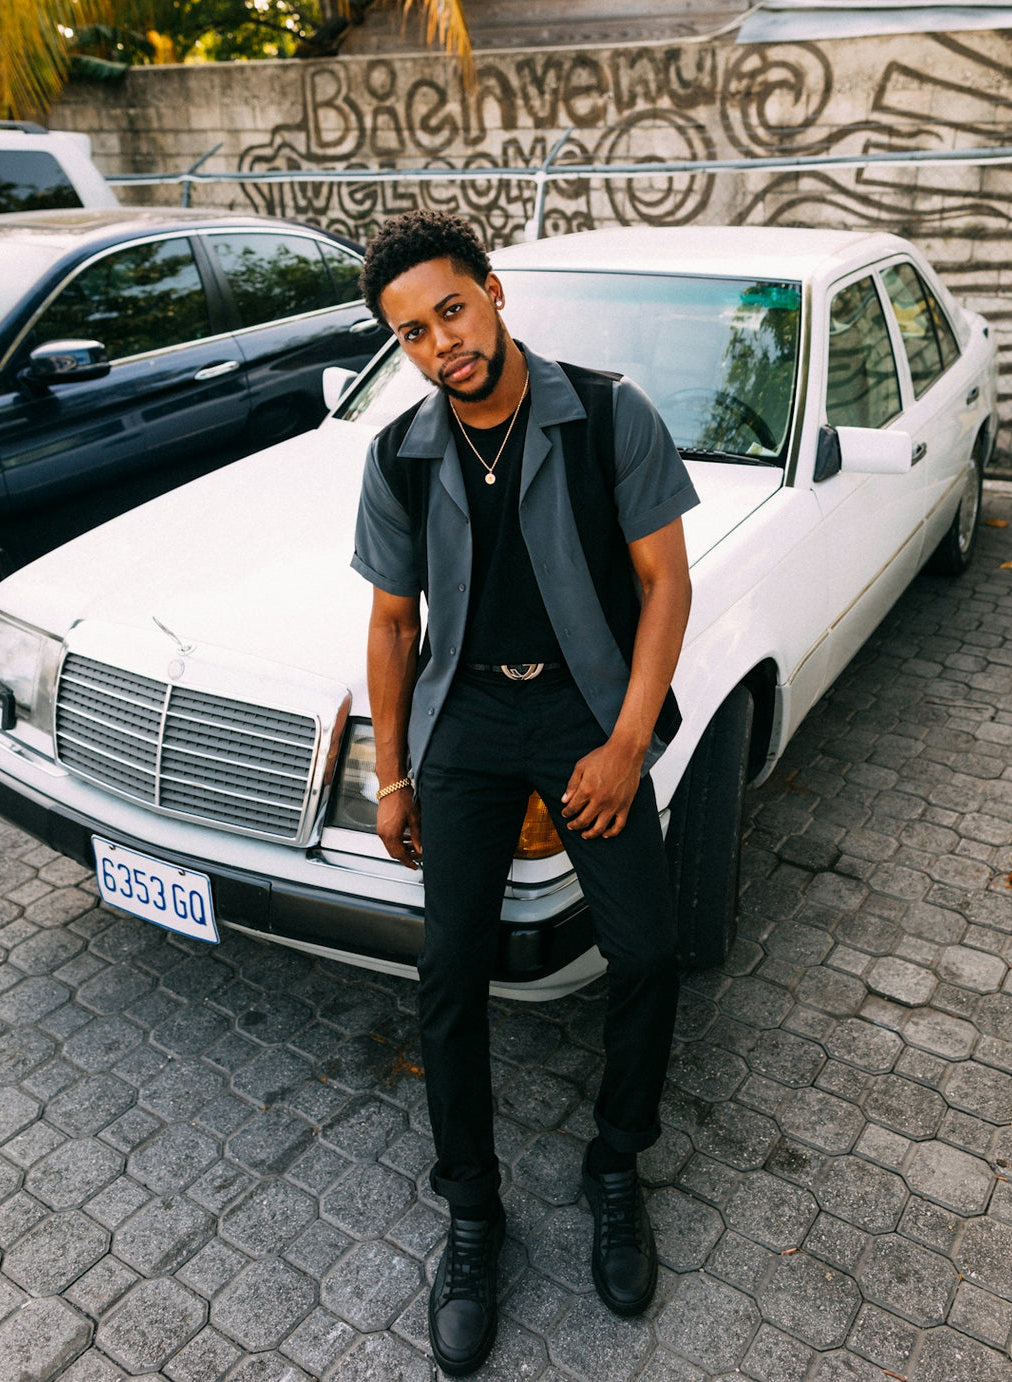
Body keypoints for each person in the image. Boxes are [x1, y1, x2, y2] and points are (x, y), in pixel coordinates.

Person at [352, 210, 698, 1377]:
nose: (440, 341)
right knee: (448, 966)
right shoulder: (400, 453)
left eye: (450, 309)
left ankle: (615, 1162)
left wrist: (625, 740)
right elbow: (394, 623)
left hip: (585, 708)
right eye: (411, 331)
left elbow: (665, 585)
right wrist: (390, 770)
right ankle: (472, 1211)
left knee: (646, 949)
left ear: (494, 293)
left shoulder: (607, 414)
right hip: (467, 723)